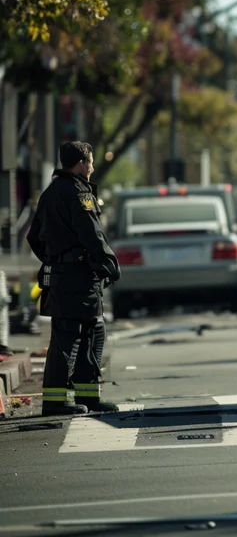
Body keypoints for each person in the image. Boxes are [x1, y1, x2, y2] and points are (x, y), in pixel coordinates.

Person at [27, 142, 121, 416]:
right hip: (79, 278)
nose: (91, 168)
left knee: (71, 336)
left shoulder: (49, 193)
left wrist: (55, 259)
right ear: (81, 163)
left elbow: (33, 236)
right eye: (90, 163)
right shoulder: (80, 194)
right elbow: (91, 235)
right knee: (85, 335)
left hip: (60, 276)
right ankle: (63, 401)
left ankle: (80, 397)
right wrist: (109, 264)